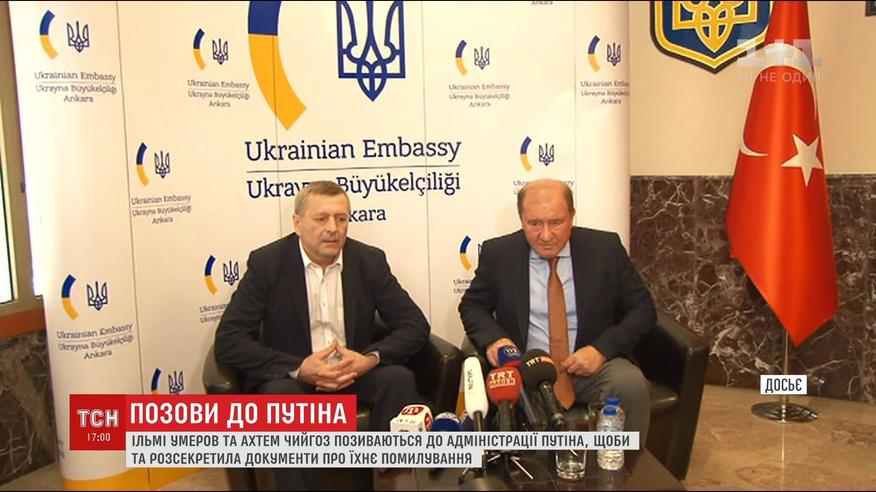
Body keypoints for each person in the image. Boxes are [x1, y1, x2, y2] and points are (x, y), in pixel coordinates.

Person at [215, 181, 429, 489]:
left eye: (341, 219)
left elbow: (414, 324)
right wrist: (300, 367)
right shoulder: (267, 264)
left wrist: (368, 360)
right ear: (297, 223)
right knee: (279, 399)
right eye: (321, 219)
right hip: (294, 379)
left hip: (353, 372)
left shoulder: (368, 260)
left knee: (398, 380)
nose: (333, 228)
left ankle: (393, 482)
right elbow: (229, 340)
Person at [459, 179, 655, 439]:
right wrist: (495, 340)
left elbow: (643, 309)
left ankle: (627, 461)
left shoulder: (605, 249)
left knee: (630, 384)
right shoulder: (499, 253)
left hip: (591, 367)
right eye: (534, 223)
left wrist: (601, 350)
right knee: (524, 412)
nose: (546, 235)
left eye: (556, 222)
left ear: (571, 216)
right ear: (521, 219)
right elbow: (472, 305)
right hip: (529, 370)